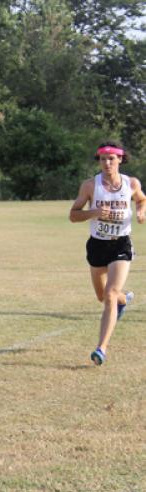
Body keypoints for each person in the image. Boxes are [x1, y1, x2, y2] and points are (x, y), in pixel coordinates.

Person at [69, 142, 145, 365]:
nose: (107, 163)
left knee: (110, 294)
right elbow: (73, 215)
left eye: (112, 158)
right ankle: (124, 299)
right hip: (97, 245)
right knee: (103, 297)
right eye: (103, 159)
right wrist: (94, 212)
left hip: (121, 244)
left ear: (120, 160)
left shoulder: (131, 183)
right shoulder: (90, 186)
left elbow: (141, 199)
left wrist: (141, 212)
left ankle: (101, 348)